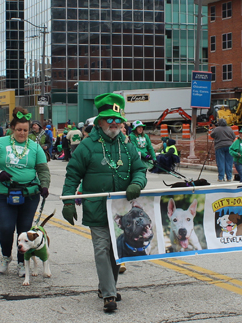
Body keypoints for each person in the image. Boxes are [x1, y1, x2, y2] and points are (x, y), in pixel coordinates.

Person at [62, 93, 147, 312]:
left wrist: (137, 183)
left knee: (116, 252)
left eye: (118, 120)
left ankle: (106, 287)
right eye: (110, 119)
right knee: (102, 249)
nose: (115, 124)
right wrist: (68, 201)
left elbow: (140, 169)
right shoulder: (87, 146)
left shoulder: (127, 146)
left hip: (122, 210)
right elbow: (72, 174)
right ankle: (109, 295)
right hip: (97, 208)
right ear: (100, 121)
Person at [0, 107, 50, 277]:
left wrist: (44, 185)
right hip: (3, 193)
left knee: (25, 230)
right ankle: (6, 256)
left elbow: (42, 170)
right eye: (19, 130)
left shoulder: (35, 147)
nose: (22, 133)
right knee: (6, 228)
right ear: (12, 128)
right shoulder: (0, 143)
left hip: (29, 194)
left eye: (25, 130)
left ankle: (22, 262)